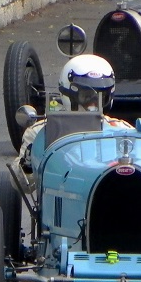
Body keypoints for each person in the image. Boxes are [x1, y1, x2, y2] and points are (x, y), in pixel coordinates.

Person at [12, 55, 131, 188]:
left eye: (101, 97)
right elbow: (21, 186)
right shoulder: (40, 133)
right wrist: (27, 165)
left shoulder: (123, 131)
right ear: (68, 94)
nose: (93, 104)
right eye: (86, 96)